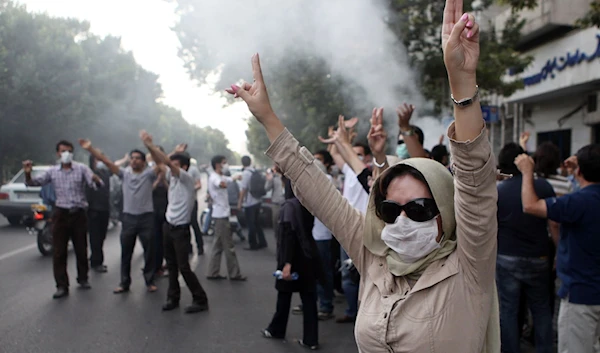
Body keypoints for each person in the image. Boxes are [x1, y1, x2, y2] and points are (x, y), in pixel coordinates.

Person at [226, 2, 501, 350]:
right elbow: (317, 190)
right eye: (389, 210)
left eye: (417, 209)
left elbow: (475, 183)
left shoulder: (470, 264)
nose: (400, 221)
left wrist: (462, 84)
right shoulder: (374, 255)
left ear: (446, 214)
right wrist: (267, 118)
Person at [515, 145, 600, 353]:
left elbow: (530, 205)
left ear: (578, 171)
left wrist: (527, 172)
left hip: (581, 295)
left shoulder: (577, 202)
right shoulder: (583, 199)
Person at [496, 143, 557, 353]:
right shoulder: (544, 186)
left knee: (508, 311)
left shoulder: (498, 192)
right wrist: (557, 252)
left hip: (506, 258)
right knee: (541, 310)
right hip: (539, 256)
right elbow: (554, 224)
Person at [140, 130, 209, 314]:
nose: (172, 168)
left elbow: (167, 162)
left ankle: (200, 299)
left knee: (184, 267)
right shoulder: (171, 177)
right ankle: (173, 298)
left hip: (180, 230)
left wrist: (150, 146)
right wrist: (150, 148)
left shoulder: (186, 179)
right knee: (171, 266)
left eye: (177, 165)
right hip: (168, 226)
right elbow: (161, 163)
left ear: (184, 167)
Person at [23, 140, 103, 299]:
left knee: (81, 248)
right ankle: (61, 285)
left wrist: (96, 179)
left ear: (72, 153)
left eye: (68, 151)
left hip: (78, 213)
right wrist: (27, 172)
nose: (65, 154)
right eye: (62, 151)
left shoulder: (81, 168)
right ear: (58, 153)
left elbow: (97, 184)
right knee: (59, 251)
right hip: (60, 213)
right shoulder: (52, 171)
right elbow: (32, 183)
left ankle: (83, 278)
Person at [78, 139, 158, 294]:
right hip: (129, 218)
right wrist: (90, 149)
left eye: (137, 158)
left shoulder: (149, 174)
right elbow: (106, 161)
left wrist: (150, 147)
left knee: (149, 251)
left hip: (146, 218)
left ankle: (150, 281)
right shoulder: (124, 174)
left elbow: (162, 164)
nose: (134, 160)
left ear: (143, 162)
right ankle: (124, 282)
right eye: (132, 158)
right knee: (126, 252)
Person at [261, 177, 321, 350]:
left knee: (284, 295)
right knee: (309, 299)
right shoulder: (309, 204)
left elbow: (288, 235)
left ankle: (276, 329)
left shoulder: (288, 206)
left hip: (293, 258)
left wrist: (286, 264)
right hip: (309, 255)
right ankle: (311, 339)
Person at [206, 155, 246, 281]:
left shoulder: (220, 176)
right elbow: (222, 184)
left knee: (218, 245)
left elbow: (228, 179)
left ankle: (212, 271)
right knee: (229, 246)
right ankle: (234, 274)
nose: (226, 165)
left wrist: (235, 177)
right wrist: (227, 182)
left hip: (221, 215)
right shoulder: (214, 178)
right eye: (224, 163)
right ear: (218, 164)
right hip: (221, 216)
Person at [86, 153, 112, 273]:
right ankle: (97, 262)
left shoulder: (105, 173)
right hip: (93, 210)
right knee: (95, 237)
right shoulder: (88, 174)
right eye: (97, 159)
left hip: (105, 208)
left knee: (101, 236)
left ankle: (94, 258)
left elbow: (114, 167)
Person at [238, 155, 267, 250]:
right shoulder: (254, 171)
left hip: (249, 203)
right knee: (257, 223)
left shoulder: (245, 173)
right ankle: (262, 242)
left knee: (251, 224)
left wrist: (240, 203)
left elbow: (243, 190)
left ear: (242, 163)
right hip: (258, 200)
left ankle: (253, 244)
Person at [265, 164, 284, 237]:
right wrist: (269, 179)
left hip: (286, 203)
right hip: (276, 203)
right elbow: (267, 188)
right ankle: (277, 238)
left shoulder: (287, 176)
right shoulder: (274, 177)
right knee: (275, 223)